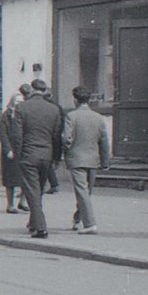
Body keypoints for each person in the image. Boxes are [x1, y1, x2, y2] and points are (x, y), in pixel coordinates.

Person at [9, 80, 63, 239]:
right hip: (46, 155)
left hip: (28, 153)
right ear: (45, 90)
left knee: (32, 191)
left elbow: (16, 135)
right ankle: (33, 223)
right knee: (37, 191)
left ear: (32, 90)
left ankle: (41, 228)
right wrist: (57, 157)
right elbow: (57, 136)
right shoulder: (54, 109)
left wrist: (18, 154)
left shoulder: (22, 107)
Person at [63, 86, 111, 234]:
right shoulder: (98, 117)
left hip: (76, 159)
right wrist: (105, 162)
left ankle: (88, 224)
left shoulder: (71, 116)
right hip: (93, 159)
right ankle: (81, 220)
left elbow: (66, 138)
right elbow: (104, 141)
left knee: (82, 192)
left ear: (75, 100)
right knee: (86, 192)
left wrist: (67, 152)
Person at [0, 91, 29, 213]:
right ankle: (10, 205)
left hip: (24, 150)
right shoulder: (7, 115)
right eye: (17, 102)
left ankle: (23, 202)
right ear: (12, 103)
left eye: (21, 102)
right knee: (11, 179)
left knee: (26, 178)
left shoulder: (25, 115)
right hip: (11, 151)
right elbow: (2, 134)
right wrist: (7, 149)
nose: (19, 104)